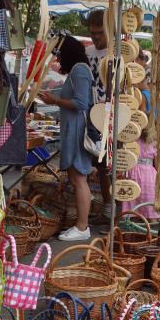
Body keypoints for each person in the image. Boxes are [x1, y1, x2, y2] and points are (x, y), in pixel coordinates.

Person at [38, 36, 95, 241]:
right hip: (73, 129)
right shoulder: (77, 70)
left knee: (79, 178)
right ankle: (81, 224)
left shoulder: (79, 70)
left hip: (78, 130)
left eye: (60, 55)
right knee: (76, 177)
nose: (59, 60)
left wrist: (55, 100)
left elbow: (81, 103)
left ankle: (82, 227)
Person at [121, 51, 160, 220]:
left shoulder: (141, 98)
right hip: (148, 169)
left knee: (134, 211)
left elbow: (139, 122)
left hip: (138, 166)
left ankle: (134, 235)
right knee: (147, 212)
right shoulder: (154, 97)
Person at [84, 9, 113, 224]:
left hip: (111, 117)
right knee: (97, 163)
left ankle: (113, 208)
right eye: (93, 33)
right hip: (91, 114)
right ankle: (105, 207)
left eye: (100, 33)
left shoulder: (117, 54)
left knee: (111, 164)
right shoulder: (88, 53)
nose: (95, 37)